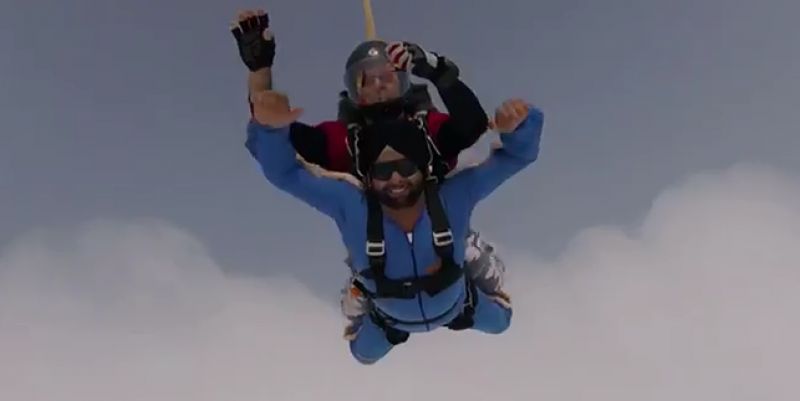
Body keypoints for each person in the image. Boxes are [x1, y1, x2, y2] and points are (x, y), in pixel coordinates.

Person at [230, 9, 511, 338]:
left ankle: (467, 301)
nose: (378, 84)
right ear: (354, 91)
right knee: (364, 326)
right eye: (367, 78)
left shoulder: (425, 128)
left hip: (442, 236)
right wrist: (259, 72)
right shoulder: (341, 140)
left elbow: (471, 126)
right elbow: (273, 137)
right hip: (379, 251)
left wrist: (437, 71)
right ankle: (375, 310)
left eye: (387, 76)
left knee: (490, 299)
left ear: (404, 81)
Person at [244, 87, 544, 364]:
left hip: (458, 304)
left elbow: (518, 156)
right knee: (362, 356)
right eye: (384, 171)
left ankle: (472, 255)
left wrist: (520, 125)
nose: (396, 180)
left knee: (502, 323)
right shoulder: (350, 205)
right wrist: (270, 129)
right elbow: (284, 174)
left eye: (405, 167)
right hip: (388, 320)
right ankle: (359, 294)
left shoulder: (454, 196)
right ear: (368, 176)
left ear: (422, 169)